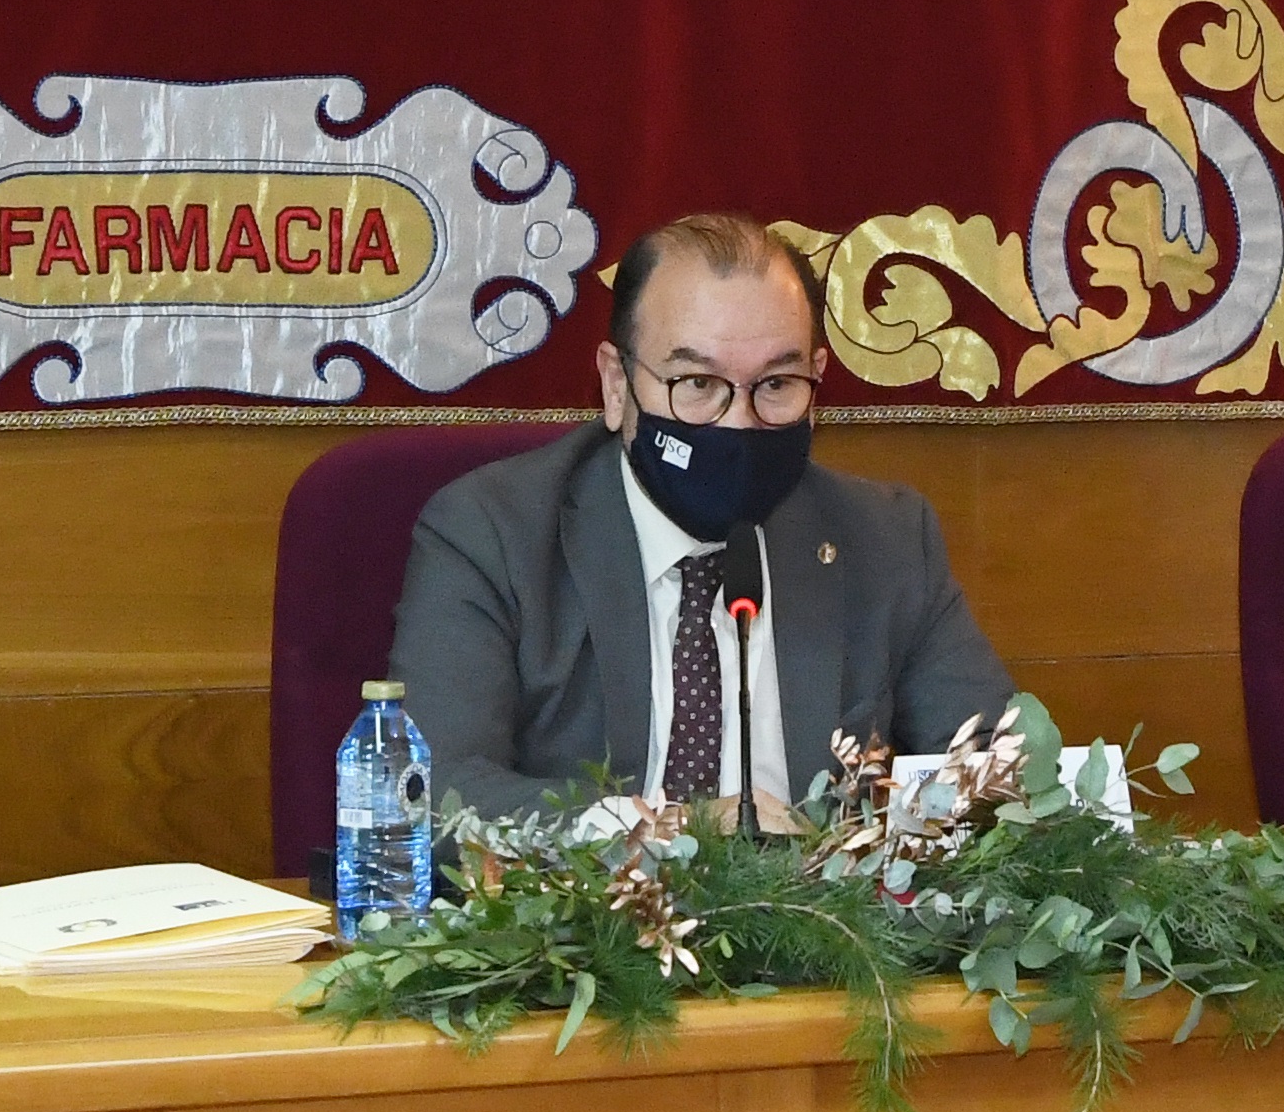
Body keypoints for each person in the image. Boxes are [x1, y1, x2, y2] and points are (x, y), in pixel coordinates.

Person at [392, 212, 1014, 823]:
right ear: (617, 385)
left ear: (817, 380)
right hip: (598, 890)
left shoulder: (886, 540)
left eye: (777, 384)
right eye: (696, 383)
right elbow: (432, 786)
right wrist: (665, 830)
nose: (738, 422)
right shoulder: (494, 535)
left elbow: (1001, 774)